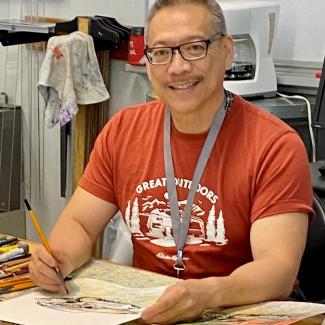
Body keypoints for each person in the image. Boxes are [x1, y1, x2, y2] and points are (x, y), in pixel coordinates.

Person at [29, 0, 313, 324]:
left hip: (238, 310)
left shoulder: (275, 145)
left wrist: (207, 294)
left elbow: (277, 269)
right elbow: (79, 224)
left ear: (226, 51)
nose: (177, 68)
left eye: (194, 47)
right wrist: (58, 258)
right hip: (148, 310)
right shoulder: (123, 131)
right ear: (148, 62)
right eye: (162, 52)